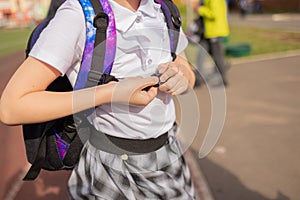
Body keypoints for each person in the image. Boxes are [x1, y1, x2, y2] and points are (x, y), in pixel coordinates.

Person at [0, 0, 196, 199]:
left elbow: (185, 67)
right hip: (110, 164)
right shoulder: (77, 15)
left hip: (169, 153)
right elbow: (13, 106)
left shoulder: (162, 8)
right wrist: (109, 93)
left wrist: (182, 76)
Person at [193, 0, 230, 86]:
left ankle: (223, 79)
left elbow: (214, 14)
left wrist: (200, 9)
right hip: (207, 33)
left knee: (218, 57)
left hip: (214, 33)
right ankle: (198, 79)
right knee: (201, 55)